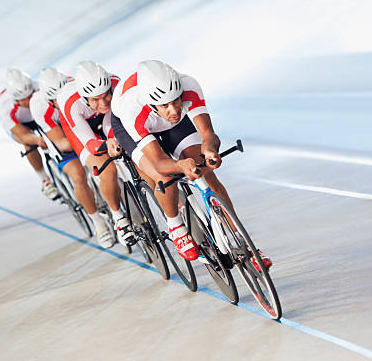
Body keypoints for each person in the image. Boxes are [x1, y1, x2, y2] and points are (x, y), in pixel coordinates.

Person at [110, 60, 272, 269]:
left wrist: (210, 150)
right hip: (129, 126)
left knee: (205, 171)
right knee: (165, 178)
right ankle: (175, 225)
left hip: (171, 126)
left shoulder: (189, 86)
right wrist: (180, 166)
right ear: (151, 103)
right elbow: (159, 162)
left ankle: (246, 247)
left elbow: (207, 134)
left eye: (177, 101)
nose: (173, 109)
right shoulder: (132, 110)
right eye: (165, 105)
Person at [55, 61, 135, 246]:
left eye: (106, 95)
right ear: (85, 98)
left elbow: (115, 120)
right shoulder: (70, 103)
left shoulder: (116, 84)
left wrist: (115, 139)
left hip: (108, 118)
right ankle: (118, 218)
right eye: (95, 99)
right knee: (107, 170)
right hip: (82, 127)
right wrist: (106, 144)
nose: (103, 102)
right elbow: (89, 143)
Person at [34, 67, 115, 248]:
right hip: (64, 139)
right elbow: (61, 143)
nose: (60, 99)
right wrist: (88, 142)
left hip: (84, 124)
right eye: (56, 99)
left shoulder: (78, 87)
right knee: (78, 176)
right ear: (50, 101)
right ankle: (98, 223)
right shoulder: (41, 108)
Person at [0, 68, 58, 200]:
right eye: (25, 99)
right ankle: (45, 180)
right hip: (21, 124)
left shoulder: (39, 87)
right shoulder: (5, 106)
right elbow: (22, 134)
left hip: (39, 114)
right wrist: (37, 140)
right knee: (28, 143)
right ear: (16, 100)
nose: (30, 100)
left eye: (31, 95)